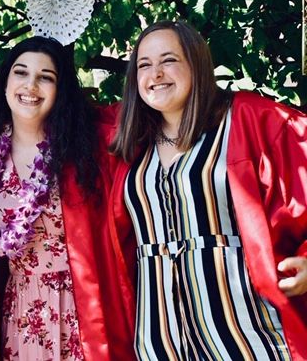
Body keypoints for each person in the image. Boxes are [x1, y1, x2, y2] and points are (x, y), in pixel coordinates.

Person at [107, 20, 307, 359]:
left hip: (246, 334)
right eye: (144, 64)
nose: (155, 73)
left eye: (168, 60)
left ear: (196, 64)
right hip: (159, 340)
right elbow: (44, 115)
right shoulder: (130, 141)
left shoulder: (250, 119)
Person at [0, 36, 134, 360]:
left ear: (59, 90)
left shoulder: (84, 148)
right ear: (6, 81)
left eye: (45, 77)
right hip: (19, 310)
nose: (30, 85)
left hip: (79, 306)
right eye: (21, 73)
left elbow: (135, 117)